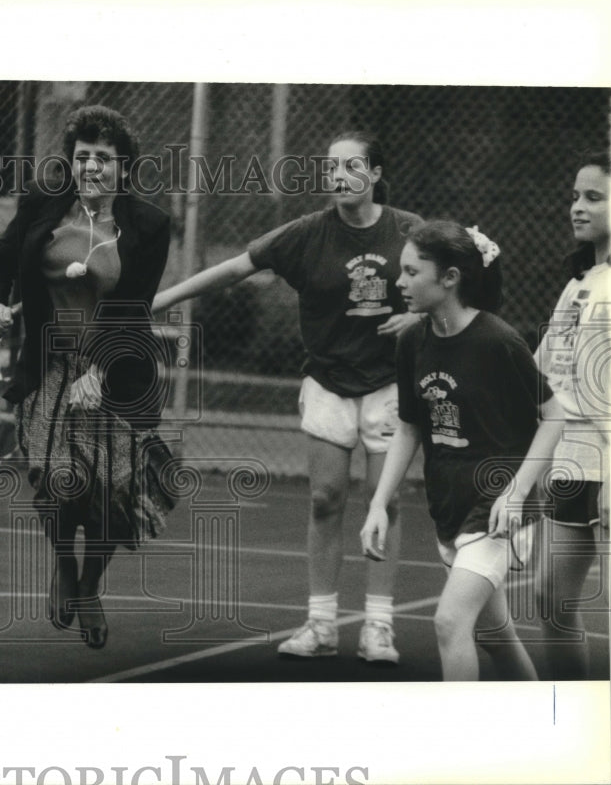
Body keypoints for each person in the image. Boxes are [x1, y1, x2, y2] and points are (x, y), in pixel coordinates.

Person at [152, 131, 421, 664]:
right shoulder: (307, 235)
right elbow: (234, 268)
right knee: (325, 500)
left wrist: (418, 315)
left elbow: (467, 277)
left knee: (385, 501)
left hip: (389, 384)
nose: (338, 176)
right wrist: (162, 299)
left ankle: (379, 627)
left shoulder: (410, 231)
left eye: (350, 166)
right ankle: (321, 624)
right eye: (331, 167)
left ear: (375, 173)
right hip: (327, 381)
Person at [0, 104, 174, 649]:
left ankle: (89, 586)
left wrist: (100, 369)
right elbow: (3, 257)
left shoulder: (150, 225)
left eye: (103, 158)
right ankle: (65, 566)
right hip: (49, 368)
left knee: (113, 491)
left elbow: (133, 306)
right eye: (83, 156)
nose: (91, 166)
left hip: (116, 370)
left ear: (123, 168)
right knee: (61, 484)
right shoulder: (44, 206)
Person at [360, 220, 565, 681]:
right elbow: (410, 427)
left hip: (497, 509)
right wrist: (378, 503)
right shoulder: (413, 341)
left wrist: (516, 492)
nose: (400, 282)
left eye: (412, 272)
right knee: (495, 638)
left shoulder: (498, 341)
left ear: (449, 278)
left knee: (450, 623)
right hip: (449, 506)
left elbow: (555, 415)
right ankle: (543, 723)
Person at [532, 151, 611, 679]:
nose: (576, 208)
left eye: (594, 197)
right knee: (550, 599)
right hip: (570, 462)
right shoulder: (580, 280)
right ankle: (573, 712)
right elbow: (542, 374)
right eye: (575, 196)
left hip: (607, 464)